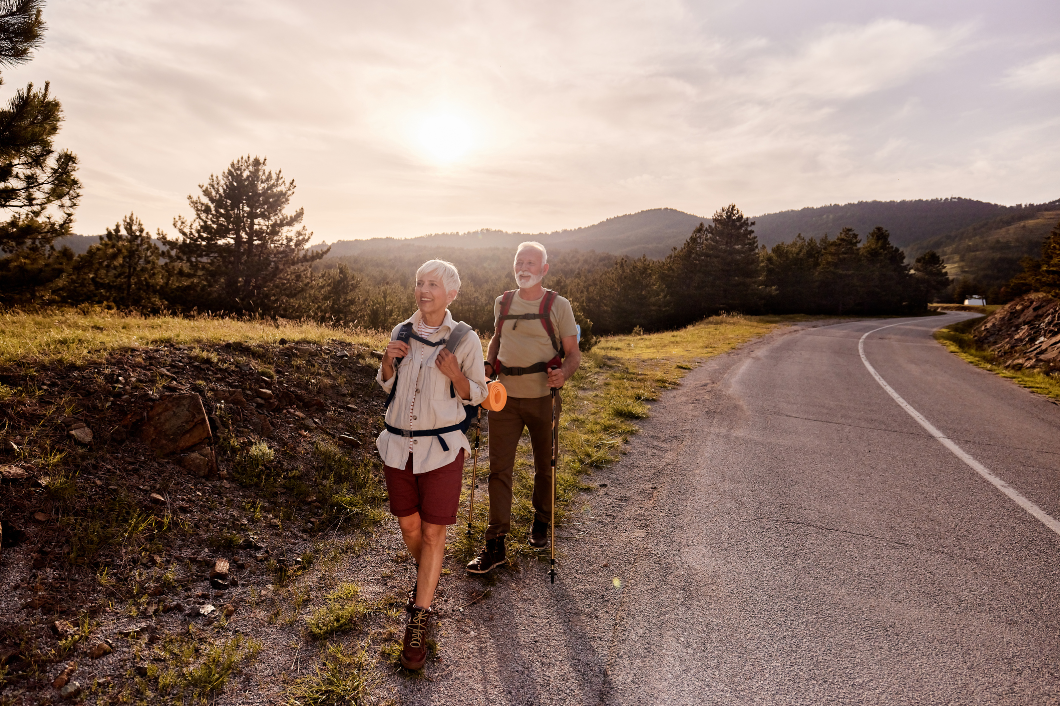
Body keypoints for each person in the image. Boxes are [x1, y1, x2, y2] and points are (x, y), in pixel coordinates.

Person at [376, 259, 487, 670]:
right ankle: (430, 578)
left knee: (434, 531)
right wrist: (387, 362)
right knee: (409, 526)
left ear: (451, 294)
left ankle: (419, 618)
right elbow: (387, 383)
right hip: (397, 446)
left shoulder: (464, 338)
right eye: (420, 283)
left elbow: (477, 393)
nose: (424, 291)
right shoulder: (400, 331)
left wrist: (457, 374)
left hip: (441, 449)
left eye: (433, 284)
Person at [466, 241, 581, 574]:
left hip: (543, 397)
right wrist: (489, 365)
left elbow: (573, 353)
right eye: (519, 261)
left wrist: (565, 373)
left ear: (544, 269)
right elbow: (497, 337)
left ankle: (541, 520)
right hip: (503, 398)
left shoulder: (559, 305)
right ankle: (495, 545)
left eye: (531, 262)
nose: (524, 267)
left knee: (545, 466)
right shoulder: (502, 302)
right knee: (499, 470)